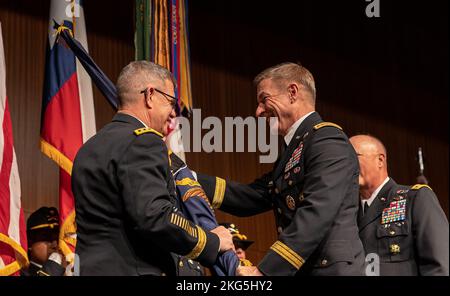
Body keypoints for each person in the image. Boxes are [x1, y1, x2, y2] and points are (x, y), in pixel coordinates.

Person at [198, 62, 365, 276]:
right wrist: (188, 178)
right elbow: (252, 196)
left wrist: (265, 271)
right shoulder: (294, 149)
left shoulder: (326, 139)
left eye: (264, 99)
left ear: (292, 93)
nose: (258, 111)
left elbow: (317, 212)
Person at [72, 61, 234, 276]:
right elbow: (156, 216)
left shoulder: (87, 148)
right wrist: (212, 241)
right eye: (170, 101)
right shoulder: (144, 141)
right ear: (150, 95)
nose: (173, 113)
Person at [349, 134, 449, 276]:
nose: (347, 164)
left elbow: (439, 265)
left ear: (380, 160)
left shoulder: (415, 198)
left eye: (354, 156)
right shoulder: (347, 212)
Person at [21, 207, 66, 276]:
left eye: (58, 238)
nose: (55, 245)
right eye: (47, 238)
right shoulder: (18, 273)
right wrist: (52, 269)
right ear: (29, 242)